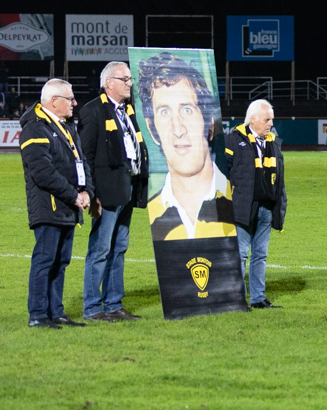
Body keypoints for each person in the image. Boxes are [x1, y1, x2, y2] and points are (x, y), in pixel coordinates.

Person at [78, 61, 150, 323]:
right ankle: (92, 307)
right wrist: (90, 192)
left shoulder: (127, 111)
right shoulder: (92, 111)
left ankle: (114, 304)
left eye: (130, 79)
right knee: (100, 250)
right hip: (106, 192)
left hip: (128, 186)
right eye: (125, 79)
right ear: (110, 83)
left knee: (119, 247)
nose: (130, 83)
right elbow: (85, 157)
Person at [139, 52, 236, 242]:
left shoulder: (234, 200)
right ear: (152, 129)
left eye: (187, 110)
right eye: (165, 112)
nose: (178, 128)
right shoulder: (154, 211)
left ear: (209, 122)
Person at [19, 78, 92, 328]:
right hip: (49, 206)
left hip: (68, 206)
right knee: (45, 260)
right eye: (69, 98)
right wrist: (73, 194)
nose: (74, 103)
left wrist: (87, 192)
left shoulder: (67, 127)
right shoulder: (34, 128)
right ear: (53, 101)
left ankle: (56, 312)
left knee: (61, 261)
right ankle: (38, 315)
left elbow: (82, 163)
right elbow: (42, 172)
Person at [227, 99, 287, 307]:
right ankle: (237, 298)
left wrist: (280, 206)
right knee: (241, 254)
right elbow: (222, 175)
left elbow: (280, 179)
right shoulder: (233, 140)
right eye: (267, 119)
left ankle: (258, 298)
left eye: (271, 119)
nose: (270, 124)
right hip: (244, 207)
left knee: (260, 255)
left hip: (267, 207)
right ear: (253, 119)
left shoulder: (273, 141)